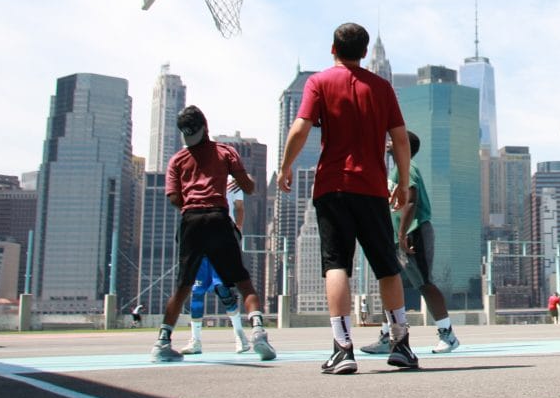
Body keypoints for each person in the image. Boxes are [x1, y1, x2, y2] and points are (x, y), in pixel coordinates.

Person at [278, 22, 418, 374]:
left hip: (333, 187)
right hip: (372, 188)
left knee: (336, 265)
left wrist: (285, 166)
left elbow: (300, 127)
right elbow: (401, 139)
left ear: (333, 49)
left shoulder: (319, 82)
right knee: (387, 266)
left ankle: (343, 349)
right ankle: (401, 344)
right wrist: (402, 183)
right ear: (365, 52)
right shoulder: (382, 88)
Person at [153, 105, 276, 362]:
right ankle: (258, 333)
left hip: (191, 221)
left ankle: (162, 342)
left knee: (183, 286)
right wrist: (245, 179)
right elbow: (249, 188)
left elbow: (174, 198)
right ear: (205, 127)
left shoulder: (177, 160)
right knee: (243, 282)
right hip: (218, 218)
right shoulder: (225, 152)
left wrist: (192, 203)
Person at [362, 132, 460, 355]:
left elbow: (412, 199)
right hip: (400, 236)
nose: (388, 142)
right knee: (391, 282)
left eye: (392, 139)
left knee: (424, 283)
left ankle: (448, 335)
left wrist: (403, 233)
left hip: (414, 233)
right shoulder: (396, 170)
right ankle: (388, 336)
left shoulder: (407, 167)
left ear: (403, 145)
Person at [177, 182, 253, 354]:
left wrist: (238, 229)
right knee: (197, 291)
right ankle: (195, 340)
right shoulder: (193, 180)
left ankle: (240, 336)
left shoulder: (231, 182)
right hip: (198, 239)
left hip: (222, 239)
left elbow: (240, 207)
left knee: (223, 289)